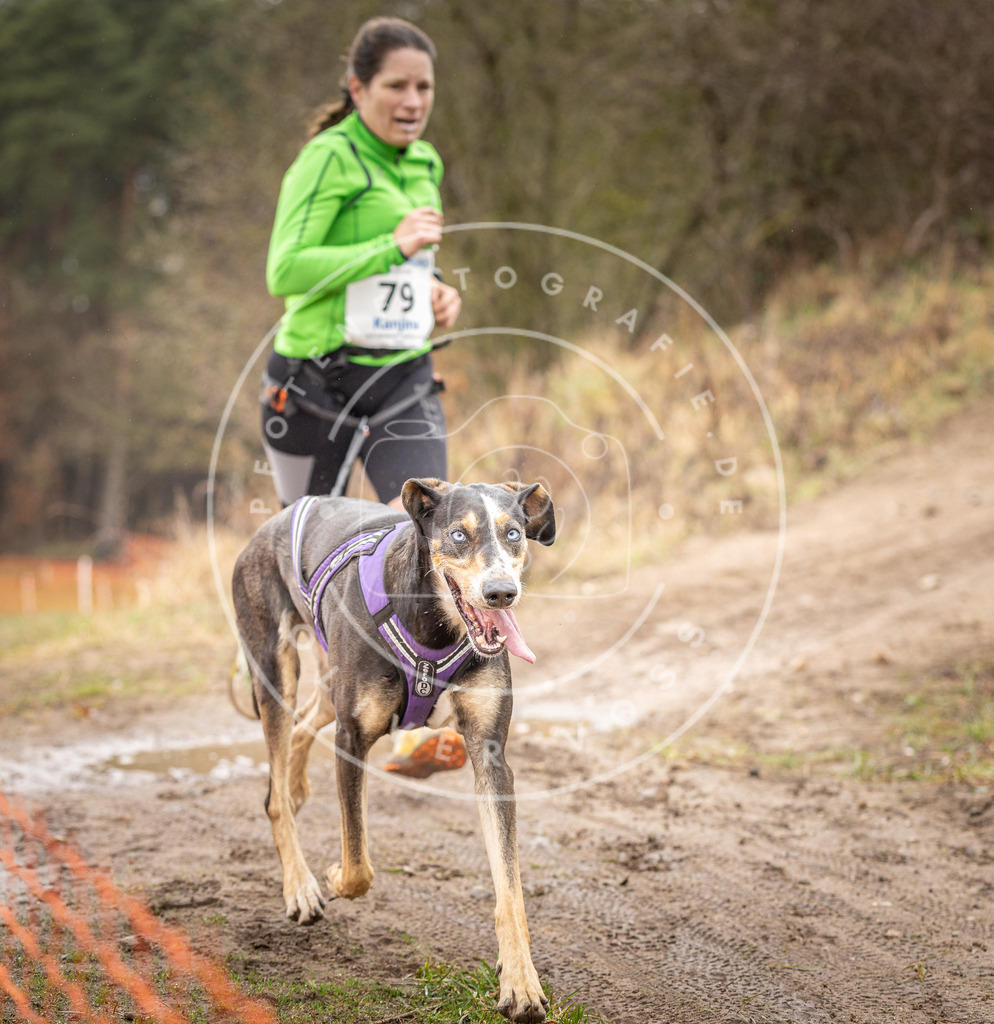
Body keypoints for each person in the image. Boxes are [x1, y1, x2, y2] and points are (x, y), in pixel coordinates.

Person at [261, 16, 464, 777]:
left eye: (425, 87)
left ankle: (418, 723)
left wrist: (440, 294)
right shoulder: (328, 158)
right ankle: (296, 715)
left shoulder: (425, 162)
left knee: (435, 532)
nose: (413, 101)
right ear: (358, 88)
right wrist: (393, 245)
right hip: (314, 384)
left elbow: (412, 272)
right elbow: (286, 270)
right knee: (297, 569)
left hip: (402, 377)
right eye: (397, 87)